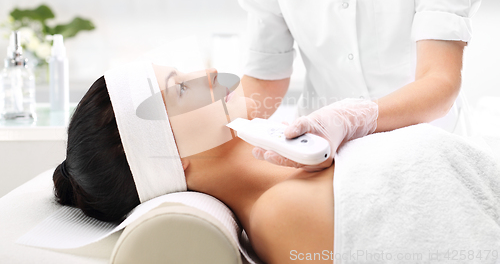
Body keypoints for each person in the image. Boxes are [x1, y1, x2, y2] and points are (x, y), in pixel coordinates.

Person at [53, 62, 500, 264]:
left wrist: (360, 119)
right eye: (180, 89)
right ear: (172, 157)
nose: (208, 73)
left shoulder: (299, 152)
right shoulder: (283, 217)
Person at [238, 0, 482, 168]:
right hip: (324, 157)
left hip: (428, 152)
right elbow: (263, 80)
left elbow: (439, 79)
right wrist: (214, 122)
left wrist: (350, 120)